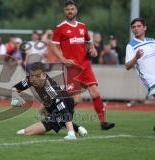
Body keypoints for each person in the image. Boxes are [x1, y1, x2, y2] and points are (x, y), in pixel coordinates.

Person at [50, 0, 115, 130]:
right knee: (76, 99)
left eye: (72, 9)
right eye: (67, 9)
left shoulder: (82, 26)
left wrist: (93, 49)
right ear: (65, 11)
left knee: (95, 92)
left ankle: (103, 122)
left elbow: (89, 43)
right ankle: (61, 118)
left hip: (85, 65)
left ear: (76, 11)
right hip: (71, 68)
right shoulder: (60, 28)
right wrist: (62, 59)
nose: (70, 11)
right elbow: (53, 46)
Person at [11, 62, 87, 140]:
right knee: (42, 110)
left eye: (37, 76)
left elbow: (63, 109)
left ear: (44, 75)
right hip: (52, 106)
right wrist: (15, 96)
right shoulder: (29, 80)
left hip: (64, 105)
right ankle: (78, 128)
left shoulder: (50, 89)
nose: (34, 79)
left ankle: (72, 131)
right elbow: (15, 88)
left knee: (27, 132)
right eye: (32, 76)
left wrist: (71, 133)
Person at [125, 18, 155, 99]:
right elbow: (127, 66)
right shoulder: (131, 46)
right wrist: (136, 58)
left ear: (144, 28)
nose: (136, 28)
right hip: (150, 81)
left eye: (139, 26)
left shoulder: (152, 41)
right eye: (133, 27)